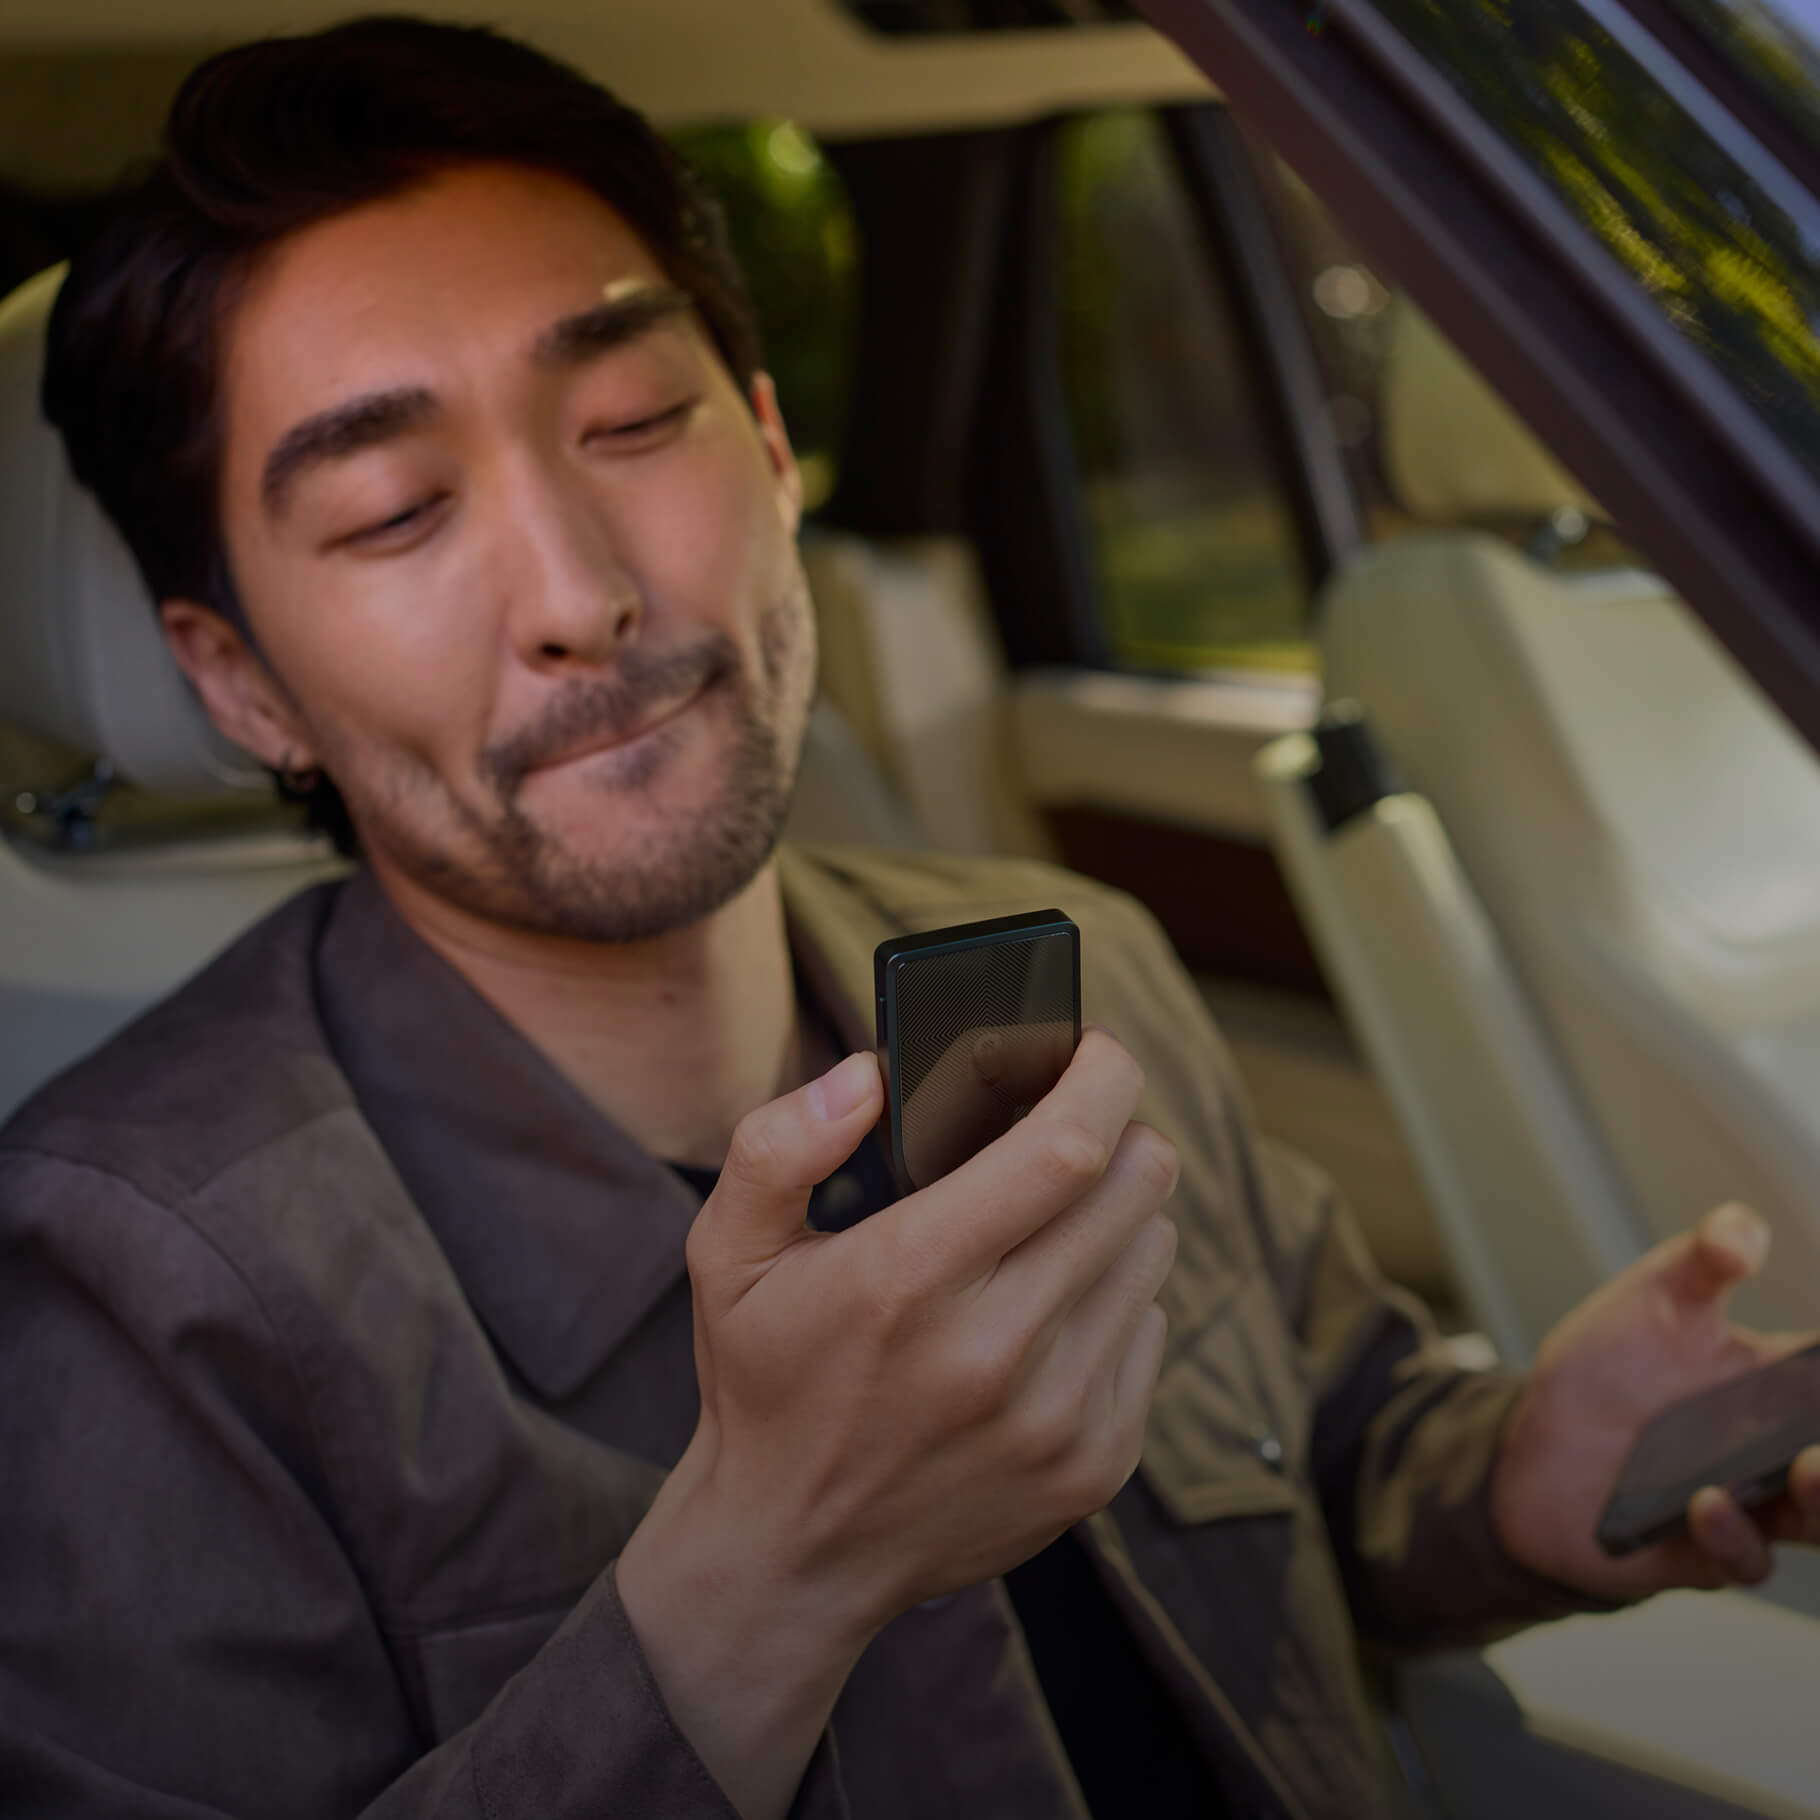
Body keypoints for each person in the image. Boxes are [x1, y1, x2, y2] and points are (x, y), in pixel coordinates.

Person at [2, 17, 1816, 1820]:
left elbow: (1333, 1458)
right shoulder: (128, 1300)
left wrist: (1518, 1477)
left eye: (633, 421)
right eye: (396, 514)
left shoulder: (1071, 956)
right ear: (237, 684)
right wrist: (766, 1575)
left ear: (775, 450)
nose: (579, 593)